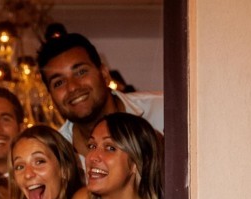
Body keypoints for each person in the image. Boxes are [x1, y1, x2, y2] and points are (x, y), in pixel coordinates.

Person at [37, 31, 163, 163]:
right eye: (59, 83)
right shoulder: (55, 157)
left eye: (81, 72)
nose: (72, 87)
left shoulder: (165, 112)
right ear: (50, 96)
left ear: (104, 74)